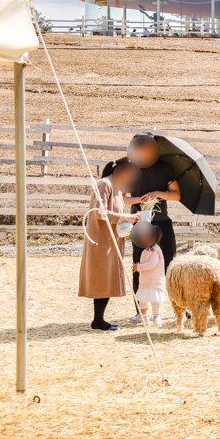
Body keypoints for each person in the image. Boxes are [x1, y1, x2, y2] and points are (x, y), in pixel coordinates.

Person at [78, 159, 141, 331]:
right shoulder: (105, 184)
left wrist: (141, 199)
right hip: (101, 239)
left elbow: (122, 200)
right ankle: (98, 321)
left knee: (106, 278)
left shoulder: (117, 186)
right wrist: (124, 218)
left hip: (112, 238)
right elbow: (99, 211)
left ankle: (99, 319)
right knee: (101, 278)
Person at [127, 133, 181, 324]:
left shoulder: (165, 168)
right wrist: (140, 199)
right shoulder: (130, 168)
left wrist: (157, 194)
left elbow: (176, 195)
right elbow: (122, 197)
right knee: (139, 267)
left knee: (170, 267)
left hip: (162, 224)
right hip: (139, 224)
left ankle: (179, 309)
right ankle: (140, 313)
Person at [131, 223, 167, 327]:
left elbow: (152, 264)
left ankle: (156, 316)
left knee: (154, 299)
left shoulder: (155, 251)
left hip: (154, 281)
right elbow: (145, 263)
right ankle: (144, 316)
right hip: (145, 280)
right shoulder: (146, 250)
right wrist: (138, 266)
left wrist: (139, 267)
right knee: (143, 299)